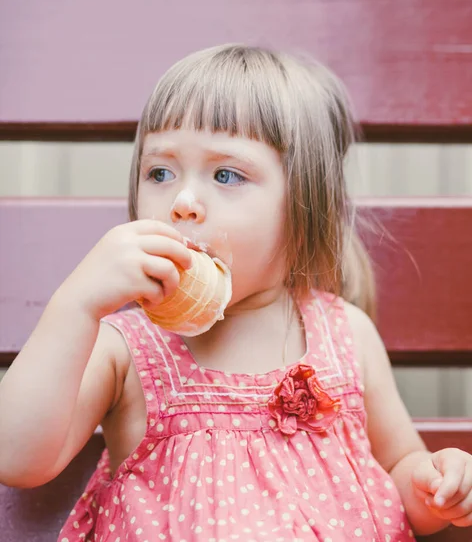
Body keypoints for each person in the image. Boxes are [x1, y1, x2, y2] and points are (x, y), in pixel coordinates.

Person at [0, 44, 471, 541]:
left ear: (304, 206)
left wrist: (435, 486)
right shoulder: (125, 348)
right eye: (160, 172)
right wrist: (76, 305)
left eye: (226, 174)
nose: (182, 202)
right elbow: (16, 457)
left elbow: (398, 467)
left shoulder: (345, 334)